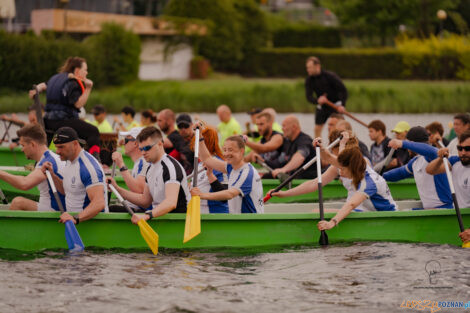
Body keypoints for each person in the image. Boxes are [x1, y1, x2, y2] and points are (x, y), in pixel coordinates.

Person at [108, 126, 191, 224]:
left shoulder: (170, 167)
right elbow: (145, 200)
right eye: (141, 148)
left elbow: (171, 202)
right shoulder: (150, 168)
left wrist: (147, 215)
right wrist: (117, 189)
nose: (143, 152)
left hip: (178, 222)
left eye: (147, 148)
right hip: (160, 219)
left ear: (160, 143)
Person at [29, 56, 101, 161]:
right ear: (77, 70)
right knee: (93, 132)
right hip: (63, 121)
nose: (86, 73)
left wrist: (36, 90)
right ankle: (95, 162)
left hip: (48, 122)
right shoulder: (73, 82)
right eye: (85, 70)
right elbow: (78, 104)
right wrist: (88, 88)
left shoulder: (55, 78)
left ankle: (38, 164)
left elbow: (42, 86)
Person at [42, 127, 108, 225]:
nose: (57, 151)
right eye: (56, 147)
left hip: (91, 224)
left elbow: (99, 203)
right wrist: (52, 175)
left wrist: (76, 218)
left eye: (61, 147)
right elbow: (66, 191)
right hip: (75, 221)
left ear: (75, 144)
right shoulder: (69, 161)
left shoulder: (88, 168)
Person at [190, 133, 264, 214]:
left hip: (251, 222)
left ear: (241, 151)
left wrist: (201, 195)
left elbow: (230, 194)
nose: (226, 154)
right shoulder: (231, 167)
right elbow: (207, 159)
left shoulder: (247, 172)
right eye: (225, 150)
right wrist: (200, 136)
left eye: (230, 150)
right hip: (239, 219)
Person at [384, 126, 452, 209]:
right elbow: (398, 173)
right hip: (430, 210)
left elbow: (429, 150)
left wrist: (402, 143)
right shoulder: (414, 162)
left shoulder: (433, 156)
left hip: (445, 209)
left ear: (412, 143)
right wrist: (379, 176)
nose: (408, 149)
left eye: (409, 144)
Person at [0, 124, 65, 211]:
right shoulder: (49, 157)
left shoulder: (48, 162)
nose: (22, 149)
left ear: (32, 144)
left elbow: (24, 184)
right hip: (50, 208)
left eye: (23, 145)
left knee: (18, 202)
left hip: (55, 211)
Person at [305, 56, 347, 138]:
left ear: (317, 66)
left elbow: (343, 90)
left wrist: (342, 105)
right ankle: (319, 148)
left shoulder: (330, 76)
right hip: (323, 106)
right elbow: (309, 97)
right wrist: (318, 100)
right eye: (307, 68)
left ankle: (334, 147)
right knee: (317, 129)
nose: (308, 70)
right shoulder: (309, 80)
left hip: (335, 105)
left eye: (310, 67)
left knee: (334, 128)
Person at [189, 126, 229, 213]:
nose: (193, 148)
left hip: (214, 214)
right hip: (198, 213)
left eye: (195, 145)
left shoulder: (219, 164)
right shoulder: (199, 165)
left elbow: (224, 197)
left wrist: (210, 176)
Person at [426, 130, 470, 209]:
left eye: (467, 149)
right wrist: (440, 158)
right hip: (457, 214)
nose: (463, 153)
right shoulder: (455, 161)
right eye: (460, 148)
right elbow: (429, 170)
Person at [110, 127, 150, 212]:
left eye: (126, 140)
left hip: (144, 211)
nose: (124, 143)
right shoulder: (139, 162)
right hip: (138, 207)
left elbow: (139, 190)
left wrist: (121, 165)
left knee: (109, 209)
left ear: (136, 143)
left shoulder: (145, 162)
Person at [270, 115, 317, 179]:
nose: (282, 128)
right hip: (294, 176)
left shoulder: (304, 141)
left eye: (284, 126)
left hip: (307, 179)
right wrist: (263, 160)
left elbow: (300, 157)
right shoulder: (288, 141)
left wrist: (284, 169)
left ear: (294, 127)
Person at [157, 109, 194, 174]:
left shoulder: (175, 137)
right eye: (180, 126)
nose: (183, 129)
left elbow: (155, 143)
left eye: (186, 126)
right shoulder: (179, 138)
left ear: (192, 125)